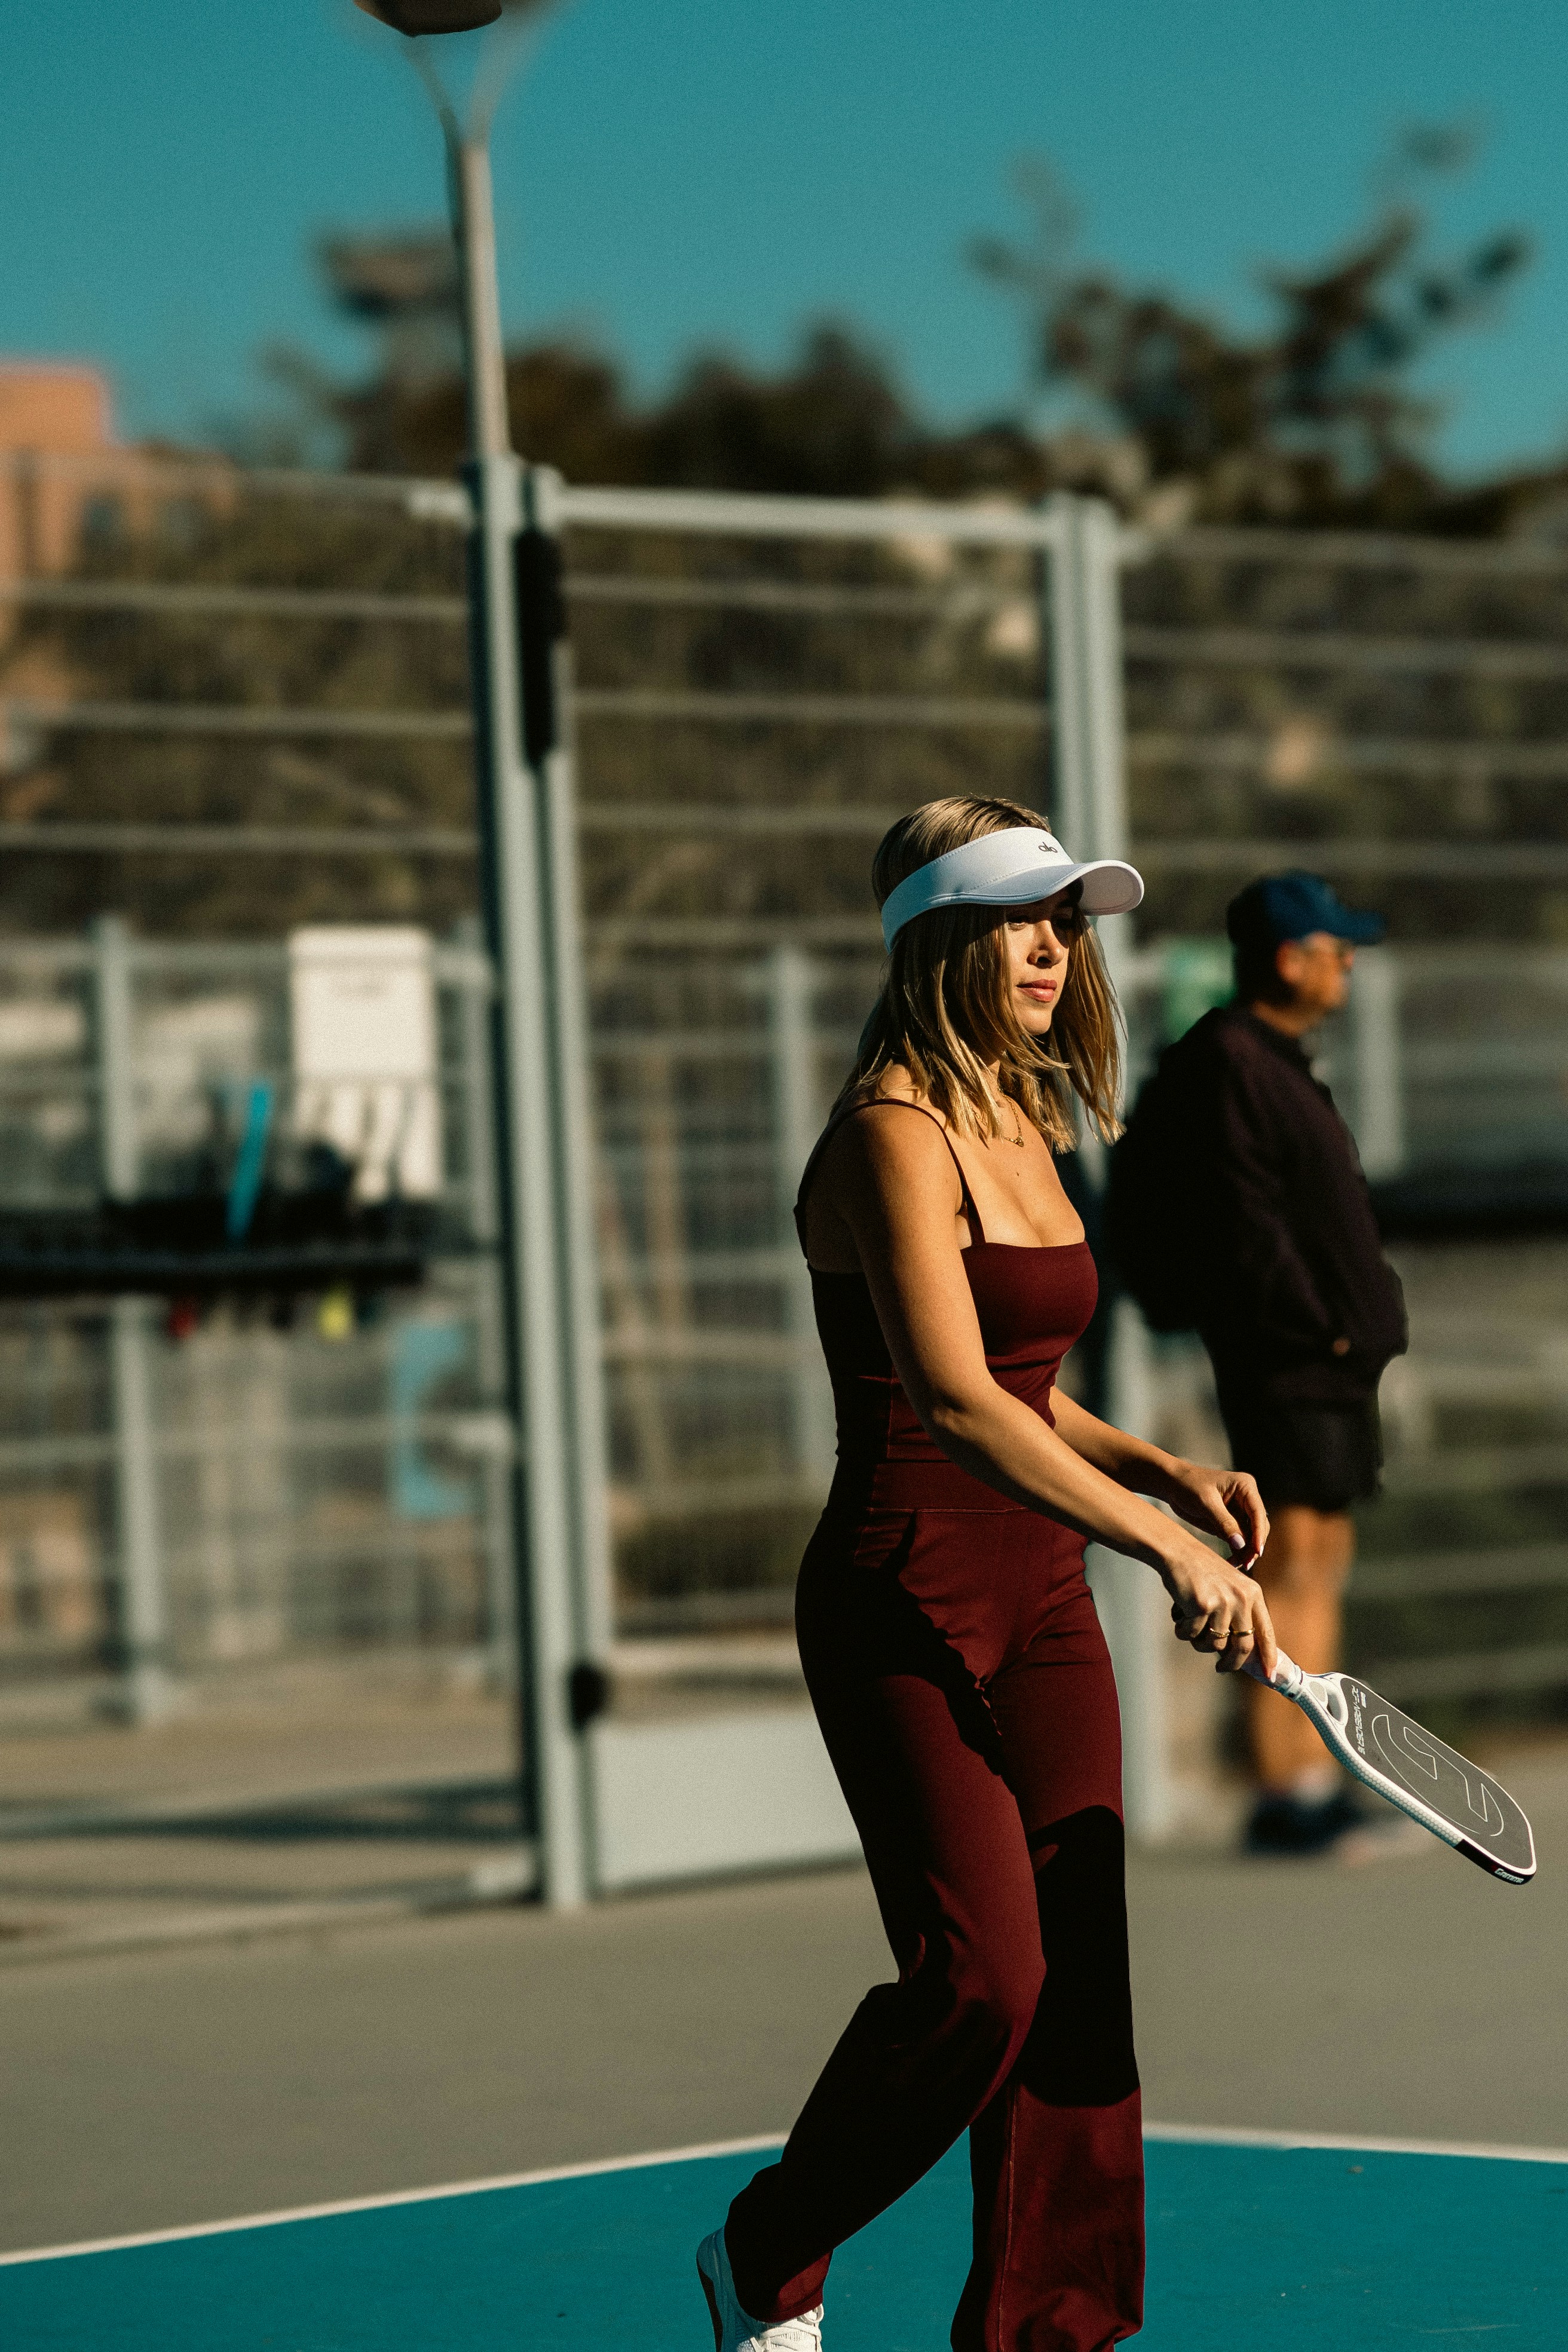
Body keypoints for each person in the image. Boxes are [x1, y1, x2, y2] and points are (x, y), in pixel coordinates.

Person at [696, 796, 1276, 2352]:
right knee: (983, 1979)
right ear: (934, 935)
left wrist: (1157, 1465)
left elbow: (1022, 1378)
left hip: (1041, 1599)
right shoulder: (894, 1133)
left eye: (1066, 918)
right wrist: (1151, 1541)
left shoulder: (1022, 1117)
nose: (1050, 946)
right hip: (906, 1589)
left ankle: (1050, 2330)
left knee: (1079, 1986)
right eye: (1020, 915)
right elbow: (950, 1405)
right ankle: (770, 2245)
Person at [1152, 872, 1408, 1857]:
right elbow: (1245, 1228)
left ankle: (1320, 1777)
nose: (1348, 966)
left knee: (1323, 1565)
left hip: (1330, 1367)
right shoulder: (1230, 1062)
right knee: (1288, 1566)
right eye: (1336, 950)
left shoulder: (1279, 1061)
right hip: (1289, 1366)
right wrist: (1321, 1327)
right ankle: (1280, 1794)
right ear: (1290, 958)